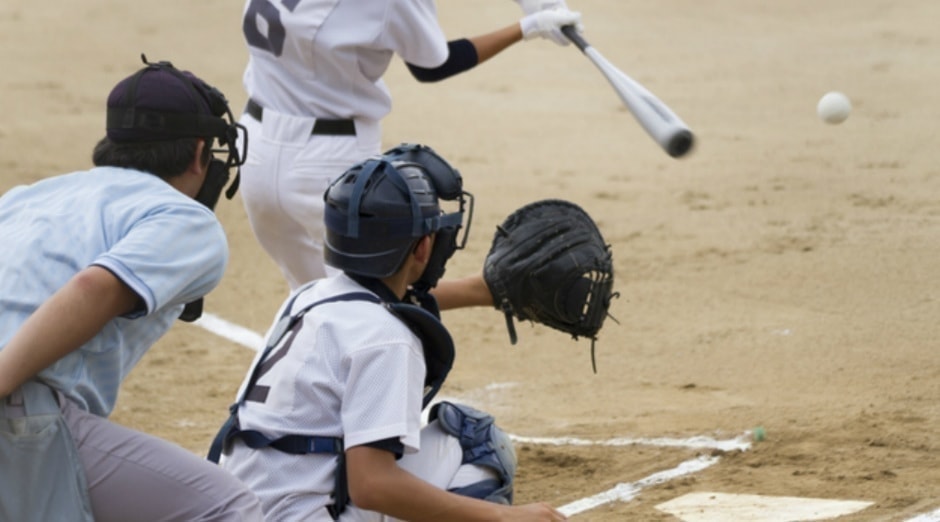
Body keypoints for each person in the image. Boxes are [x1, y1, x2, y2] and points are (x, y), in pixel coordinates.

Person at [210, 146, 568, 521]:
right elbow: (372, 486)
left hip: (242, 508)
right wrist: (505, 517)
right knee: (476, 443)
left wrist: (482, 291)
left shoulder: (309, 296)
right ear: (423, 246)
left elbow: (392, 299)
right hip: (304, 515)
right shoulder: (388, 338)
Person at [0, 57, 263, 521]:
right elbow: (93, 287)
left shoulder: (31, 195)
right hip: (21, 410)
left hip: (28, 409)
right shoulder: (184, 218)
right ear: (200, 153)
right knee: (228, 506)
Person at [237, 0, 583, 290]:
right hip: (328, 163)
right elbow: (434, 64)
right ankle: (482, 290)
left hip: (254, 151)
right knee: (377, 296)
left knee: (308, 297)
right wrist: (527, 27)